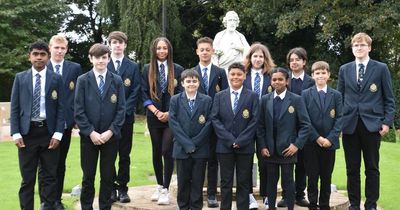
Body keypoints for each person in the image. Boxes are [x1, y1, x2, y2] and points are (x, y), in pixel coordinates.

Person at [337, 32, 395, 210]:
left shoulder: (381, 68)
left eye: (362, 45)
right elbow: (339, 98)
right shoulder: (344, 69)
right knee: (351, 169)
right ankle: (354, 204)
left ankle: (370, 205)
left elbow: (389, 99)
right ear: (352, 48)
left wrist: (386, 122)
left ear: (369, 47)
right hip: (349, 125)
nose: (359, 48)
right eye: (356, 45)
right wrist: (338, 124)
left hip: (372, 125)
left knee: (372, 168)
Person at [10, 40, 65, 210]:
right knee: (27, 179)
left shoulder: (56, 78)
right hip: (27, 134)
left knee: (49, 177)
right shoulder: (20, 78)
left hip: (48, 134)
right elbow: (15, 107)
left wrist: (58, 134)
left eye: (42, 54)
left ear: (48, 57)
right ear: (29, 57)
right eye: (35, 54)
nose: (39, 58)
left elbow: (61, 107)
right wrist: (16, 133)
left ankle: (47, 206)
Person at [74, 43, 126, 210]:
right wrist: (91, 132)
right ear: (91, 59)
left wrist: (111, 131)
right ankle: (86, 207)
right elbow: (78, 110)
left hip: (110, 138)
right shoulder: (83, 80)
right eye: (97, 58)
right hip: (89, 138)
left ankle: (105, 207)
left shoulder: (116, 80)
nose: (101, 61)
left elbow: (121, 110)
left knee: (107, 177)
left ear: (108, 58)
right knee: (88, 177)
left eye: (104, 57)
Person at [36, 34, 82, 210]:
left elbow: (77, 95)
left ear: (66, 49)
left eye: (63, 48)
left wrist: (74, 119)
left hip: (65, 125)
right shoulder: (41, 66)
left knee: (60, 163)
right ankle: (44, 201)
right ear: (50, 48)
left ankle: (56, 200)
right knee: (44, 164)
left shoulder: (74, 68)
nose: (59, 51)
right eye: (56, 47)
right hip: (44, 124)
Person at [257, 67, 310, 210]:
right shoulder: (264, 99)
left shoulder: (296, 99)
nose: (277, 82)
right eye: (274, 79)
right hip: (270, 150)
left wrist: (296, 145)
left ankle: (291, 207)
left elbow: (305, 125)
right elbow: (260, 126)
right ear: (270, 81)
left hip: (288, 149)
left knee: (288, 181)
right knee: (271, 182)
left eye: (280, 79)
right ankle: (271, 207)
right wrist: (262, 146)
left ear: (287, 81)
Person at [211, 62, 259, 210]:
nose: (236, 77)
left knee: (244, 182)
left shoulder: (252, 96)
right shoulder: (219, 96)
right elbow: (215, 119)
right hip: (224, 147)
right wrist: (230, 140)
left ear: (244, 76)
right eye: (233, 74)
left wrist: (241, 140)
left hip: (245, 147)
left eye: (239, 74)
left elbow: (255, 120)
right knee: (225, 182)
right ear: (228, 75)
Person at [141, 37, 183, 205]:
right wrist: (156, 111)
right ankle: (159, 185)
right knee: (156, 151)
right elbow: (143, 93)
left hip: (171, 118)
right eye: (159, 48)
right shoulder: (147, 69)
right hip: (154, 116)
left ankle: (165, 189)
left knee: (167, 150)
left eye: (164, 48)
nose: (162, 51)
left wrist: (169, 113)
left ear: (169, 50)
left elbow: (181, 94)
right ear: (154, 50)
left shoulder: (178, 69)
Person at [188, 36, 229, 208]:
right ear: (197, 52)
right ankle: (193, 193)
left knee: (213, 159)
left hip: (214, 122)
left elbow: (225, 96)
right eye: (202, 49)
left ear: (212, 51)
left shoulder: (220, 72)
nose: (205, 52)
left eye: (208, 49)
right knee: (195, 159)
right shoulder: (191, 72)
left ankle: (212, 194)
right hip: (195, 122)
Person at [169, 69, 213, 210]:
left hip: (200, 149)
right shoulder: (175, 100)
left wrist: (195, 143)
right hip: (181, 149)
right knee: (183, 181)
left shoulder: (207, 100)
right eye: (188, 81)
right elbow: (173, 123)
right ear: (182, 83)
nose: (191, 84)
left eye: (194, 81)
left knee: (197, 182)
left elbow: (209, 123)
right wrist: (188, 144)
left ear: (199, 83)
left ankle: (195, 207)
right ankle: (183, 206)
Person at [302, 61, 343, 210]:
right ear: (312, 75)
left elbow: (340, 118)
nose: (320, 75)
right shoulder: (306, 94)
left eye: (323, 72)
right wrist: (317, 138)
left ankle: (324, 205)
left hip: (329, 144)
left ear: (328, 75)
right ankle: (312, 204)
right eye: (317, 73)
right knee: (312, 176)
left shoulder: (336, 95)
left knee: (326, 176)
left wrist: (330, 139)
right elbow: (304, 119)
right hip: (311, 143)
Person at [107, 31, 141, 203]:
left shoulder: (133, 66)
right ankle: (111, 188)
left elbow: (135, 91)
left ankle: (123, 189)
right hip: (107, 119)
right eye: (114, 42)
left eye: (120, 42)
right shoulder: (104, 64)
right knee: (109, 154)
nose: (117, 45)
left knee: (124, 155)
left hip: (126, 119)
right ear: (110, 44)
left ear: (125, 45)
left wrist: (123, 112)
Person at [279, 47, 314, 208]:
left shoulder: (311, 81)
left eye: (297, 59)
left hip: (304, 128)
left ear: (304, 62)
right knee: (286, 165)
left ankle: (300, 195)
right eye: (291, 60)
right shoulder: (284, 79)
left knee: (303, 164)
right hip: (286, 128)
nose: (294, 62)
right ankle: (286, 196)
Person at [243, 42, 275, 209]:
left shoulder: (272, 76)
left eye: (261, 56)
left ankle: (267, 195)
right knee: (246, 161)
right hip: (246, 124)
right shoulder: (242, 75)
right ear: (250, 58)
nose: (257, 59)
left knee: (265, 161)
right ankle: (248, 195)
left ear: (265, 58)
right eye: (255, 56)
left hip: (266, 125)